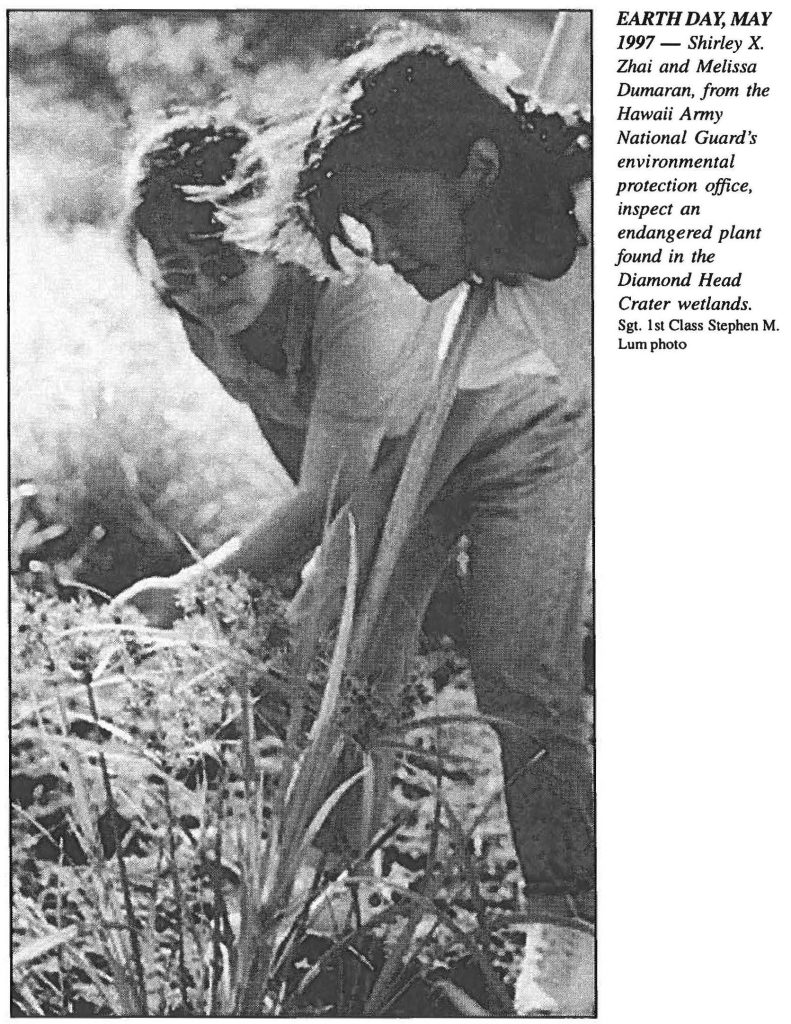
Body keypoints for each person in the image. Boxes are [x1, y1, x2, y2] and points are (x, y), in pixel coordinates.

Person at [288, 37, 594, 1016]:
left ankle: (578, 917)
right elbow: (415, 429)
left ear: (477, 165)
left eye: (387, 207)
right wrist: (340, 565)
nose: (378, 246)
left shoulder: (627, 233)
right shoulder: (496, 302)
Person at [116, 113, 462, 632]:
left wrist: (193, 587)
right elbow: (296, 444)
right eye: (178, 268)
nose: (205, 290)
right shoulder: (201, 313)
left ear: (275, 233)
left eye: (226, 263)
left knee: (486, 637)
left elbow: (327, 494)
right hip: (377, 443)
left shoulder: (354, 297)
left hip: (475, 429)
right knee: (368, 611)